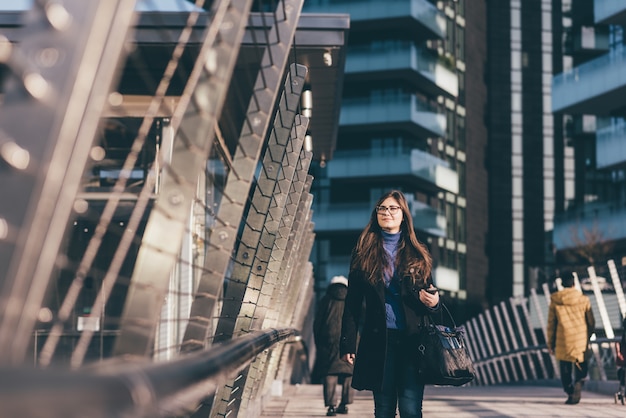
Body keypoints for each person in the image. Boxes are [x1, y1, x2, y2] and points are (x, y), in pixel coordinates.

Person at [339, 190, 440, 418]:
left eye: (393, 208)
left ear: (403, 214)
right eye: (382, 208)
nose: (387, 213)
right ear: (376, 214)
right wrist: (347, 343)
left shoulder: (418, 253)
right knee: (383, 410)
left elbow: (431, 297)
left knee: (410, 409)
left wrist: (434, 302)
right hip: (379, 340)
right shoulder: (363, 252)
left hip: (413, 341)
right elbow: (352, 303)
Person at [547, 271, 595, 405]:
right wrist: (588, 335)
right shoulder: (584, 299)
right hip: (580, 338)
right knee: (581, 364)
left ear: (562, 284)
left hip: (563, 339)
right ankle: (578, 384)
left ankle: (569, 390)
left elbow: (551, 323)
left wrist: (550, 342)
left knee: (565, 367)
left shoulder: (556, 299)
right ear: (574, 283)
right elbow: (591, 321)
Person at [312, 275, 354, 416]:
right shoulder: (351, 299)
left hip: (328, 339)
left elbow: (317, 323)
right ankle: (345, 404)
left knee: (330, 371)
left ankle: (331, 406)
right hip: (349, 338)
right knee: (349, 371)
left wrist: (319, 342)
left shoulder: (326, 300)